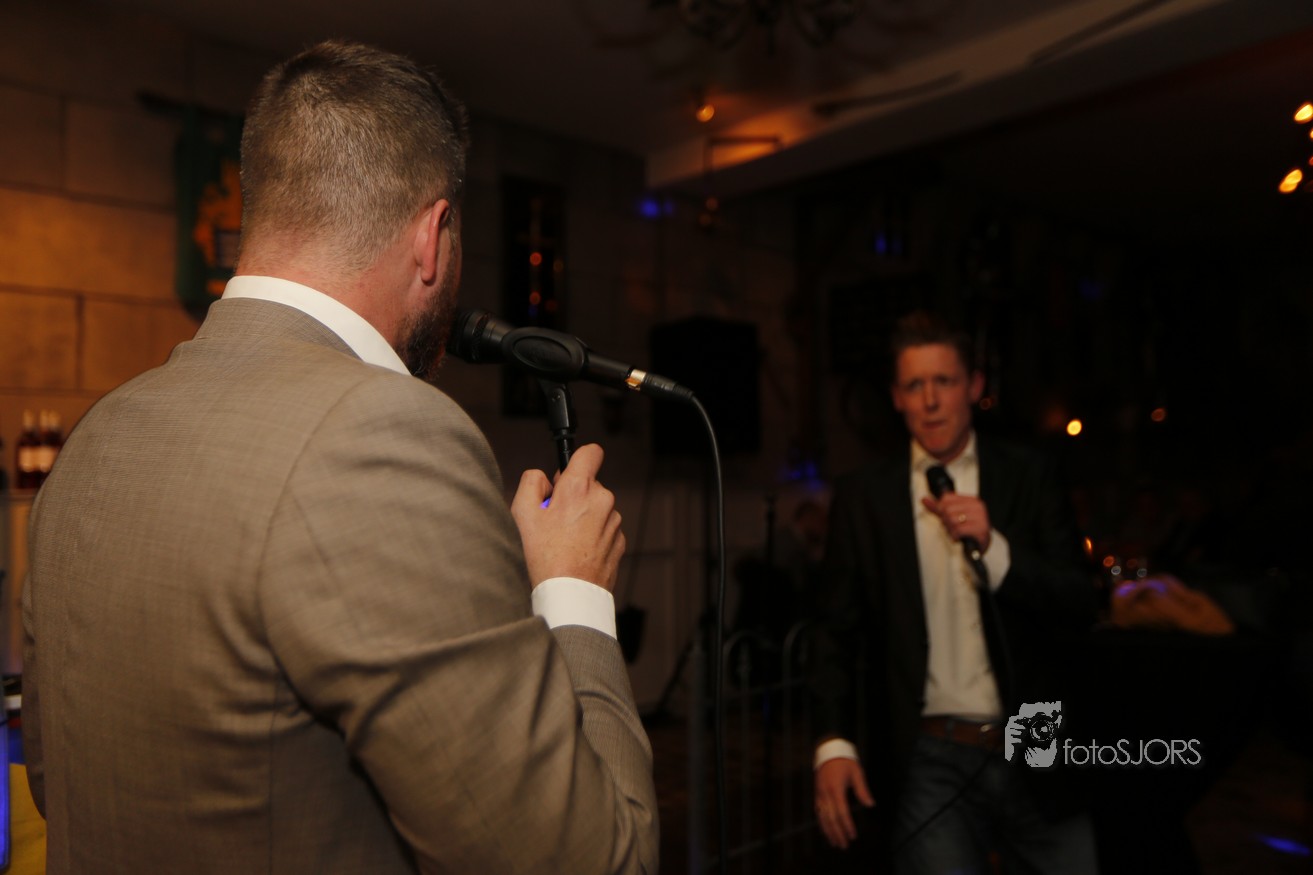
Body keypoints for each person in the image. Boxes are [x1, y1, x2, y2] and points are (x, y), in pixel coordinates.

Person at [22, 40, 658, 875]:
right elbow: (592, 860)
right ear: (433, 237)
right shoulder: (386, 432)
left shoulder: (99, 433)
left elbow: (53, 777)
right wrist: (571, 590)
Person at [810, 311, 1098, 874]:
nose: (930, 401)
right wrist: (833, 743)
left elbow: (1079, 602)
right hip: (928, 750)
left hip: (1035, 730)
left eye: (943, 381)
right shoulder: (865, 497)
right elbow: (833, 631)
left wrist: (995, 549)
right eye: (915, 385)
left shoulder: (1029, 474)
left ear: (974, 386)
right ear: (897, 398)